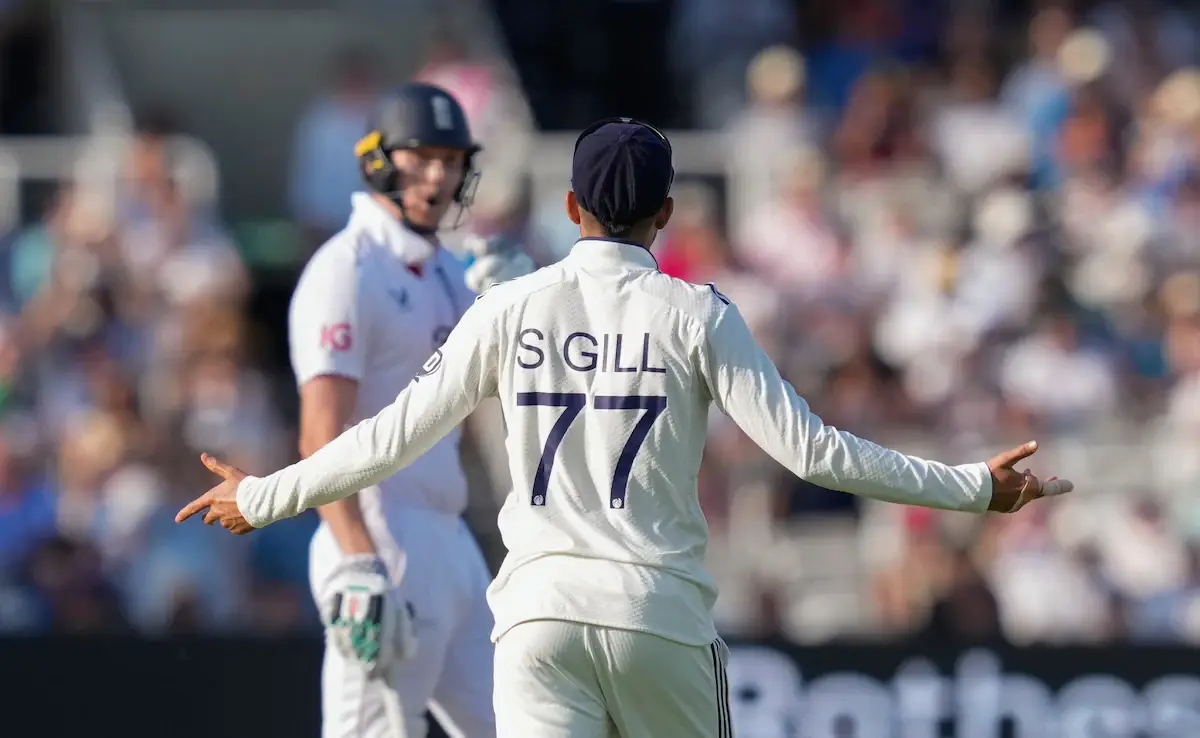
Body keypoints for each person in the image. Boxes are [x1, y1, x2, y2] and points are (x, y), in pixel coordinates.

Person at [178, 117, 1074, 738]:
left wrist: (262, 497)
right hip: (658, 618)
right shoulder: (698, 313)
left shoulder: (509, 307)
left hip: (537, 620)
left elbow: (388, 437)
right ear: (667, 215)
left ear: (571, 207)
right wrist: (972, 488)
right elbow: (815, 453)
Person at [283, 82, 531, 738]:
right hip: (379, 535)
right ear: (378, 160)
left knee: (518, 725)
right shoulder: (347, 270)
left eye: (450, 160)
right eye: (421, 157)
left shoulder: (448, 270)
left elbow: (516, 388)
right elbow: (320, 436)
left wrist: (525, 300)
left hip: (449, 540)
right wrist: (358, 563)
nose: (438, 176)